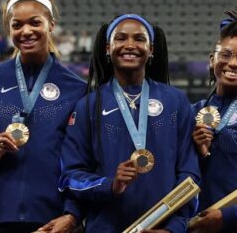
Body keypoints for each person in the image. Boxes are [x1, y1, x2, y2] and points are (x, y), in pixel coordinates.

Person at [58, 13, 200, 233]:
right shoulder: (88, 106)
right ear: (107, 47)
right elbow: (70, 176)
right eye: (121, 38)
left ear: (151, 49)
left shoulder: (175, 102)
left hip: (160, 229)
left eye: (139, 39)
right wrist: (110, 185)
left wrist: (174, 227)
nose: (130, 45)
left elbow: (189, 173)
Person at [0, 0, 86, 233]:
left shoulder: (77, 89)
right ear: (9, 29)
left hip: (55, 221)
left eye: (35, 22)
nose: (26, 31)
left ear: (51, 25)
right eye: (17, 25)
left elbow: (88, 161)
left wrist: (73, 215)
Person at [190, 12, 237, 233]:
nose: (233, 63)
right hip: (194, 226)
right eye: (226, 54)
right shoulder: (192, 112)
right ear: (212, 60)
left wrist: (227, 216)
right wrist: (201, 153)